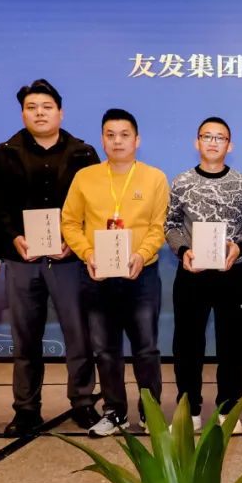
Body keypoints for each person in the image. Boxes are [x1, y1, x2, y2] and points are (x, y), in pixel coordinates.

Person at [0, 79, 101, 437]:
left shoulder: (83, 153)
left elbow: (95, 205)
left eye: (47, 107)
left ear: (60, 113)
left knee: (78, 335)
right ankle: (26, 408)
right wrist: (14, 237)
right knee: (25, 337)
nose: (39, 113)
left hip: (69, 260)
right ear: (23, 113)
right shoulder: (4, 153)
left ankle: (82, 402)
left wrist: (75, 241)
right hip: (23, 259)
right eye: (32, 107)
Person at [61, 108, 169, 437]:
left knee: (146, 349)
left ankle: (150, 412)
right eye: (110, 135)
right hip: (97, 274)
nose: (117, 141)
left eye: (124, 135)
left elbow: (158, 226)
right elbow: (69, 223)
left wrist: (142, 254)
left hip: (141, 274)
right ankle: (115, 412)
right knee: (105, 350)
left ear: (137, 140)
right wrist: (88, 254)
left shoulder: (154, 178)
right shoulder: (85, 177)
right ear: (102, 140)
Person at [164, 117, 242, 433]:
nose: (213, 142)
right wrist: (183, 251)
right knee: (187, 345)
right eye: (207, 136)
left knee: (232, 345)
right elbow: (171, 225)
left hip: (231, 272)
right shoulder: (182, 182)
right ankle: (188, 411)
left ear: (229, 146)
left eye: (220, 138)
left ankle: (227, 410)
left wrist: (239, 247)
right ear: (197, 142)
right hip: (191, 273)